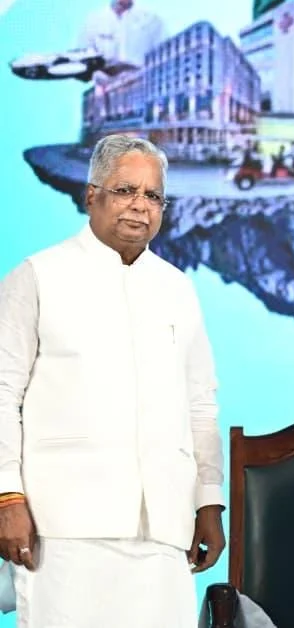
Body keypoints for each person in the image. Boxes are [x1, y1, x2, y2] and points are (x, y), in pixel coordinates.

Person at [0, 135, 225, 627]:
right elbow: (3, 394)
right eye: (125, 190)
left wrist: (208, 500)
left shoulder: (176, 288)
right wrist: (7, 495)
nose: (140, 206)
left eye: (153, 196)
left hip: (163, 527)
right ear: (92, 195)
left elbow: (200, 403)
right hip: (64, 526)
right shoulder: (38, 276)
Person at [77, 0, 166, 82]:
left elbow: (164, 66)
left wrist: (131, 70)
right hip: (103, 93)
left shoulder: (154, 23)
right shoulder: (92, 23)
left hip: (143, 92)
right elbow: (80, 69)